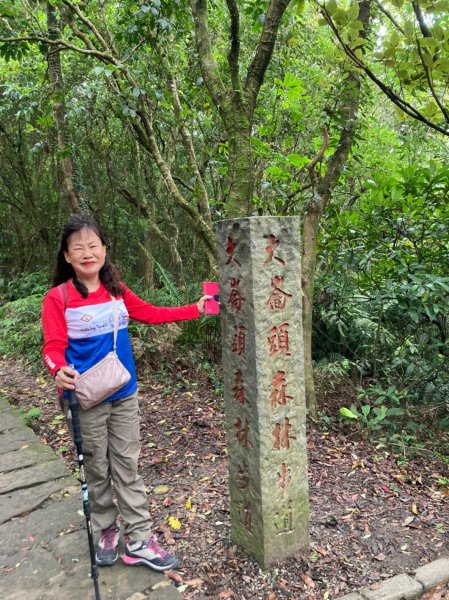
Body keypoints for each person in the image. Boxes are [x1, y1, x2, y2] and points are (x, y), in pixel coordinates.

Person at [41, 213, 211, 572]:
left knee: (127, 465)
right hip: (85, 396)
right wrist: (58, 369)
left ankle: (138, 539)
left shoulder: (117, 291)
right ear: (67, 257)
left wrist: (194, 310)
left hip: (123, 392)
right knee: (97, 467)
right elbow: (53, 346)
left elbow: (151, 313)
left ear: (104, 249)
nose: (88, 253)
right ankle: (106, 529)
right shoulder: (58, 298)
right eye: (78, 248)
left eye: (93, 245)